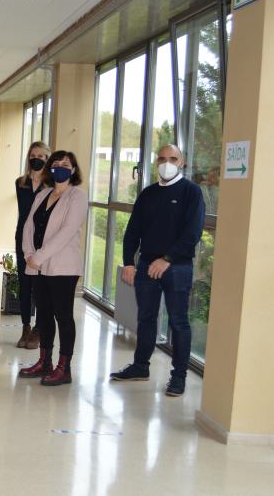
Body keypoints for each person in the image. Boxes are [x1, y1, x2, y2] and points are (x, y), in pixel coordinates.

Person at [110, 144, 205, 397]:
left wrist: (167, 259)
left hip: (177, 267)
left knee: (178, 322)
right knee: (146, 318)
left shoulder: (191, 192)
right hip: (145, 267)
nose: (167, 163)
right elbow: (132, 232)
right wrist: (129, 262)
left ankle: (179, 377)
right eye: (162, 159)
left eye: (173, 159)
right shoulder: (148, 194)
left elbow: (192, 233)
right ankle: (141, 366)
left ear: (182, 162)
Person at [18, 150, 87, 386]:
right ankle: (44, 362)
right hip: (38, 266)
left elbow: (67, 232)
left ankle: (63, 368)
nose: (60, 167)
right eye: (56, 163)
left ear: (74, 170)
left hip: (63, 267)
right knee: (44, 316)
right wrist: (29, 253)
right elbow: (28, 225)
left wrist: (39, 256)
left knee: (63, 316)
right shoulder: (43, 194)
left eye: (66, 164)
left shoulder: (77, 196)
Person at [14, 142, 50, 349]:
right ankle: (25, 326)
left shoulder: (53, 185)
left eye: (41, 156)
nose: (37, 159)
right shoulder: (20, 183)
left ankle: (39, 328)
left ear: (47, 159)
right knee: (25, 284)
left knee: (41, 286)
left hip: (44, 241)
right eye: (33, 155)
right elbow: (24, 212)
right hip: (22, 238)